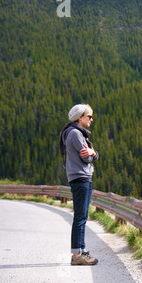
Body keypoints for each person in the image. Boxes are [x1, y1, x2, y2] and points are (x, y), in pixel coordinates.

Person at [60, 104, 99, 265]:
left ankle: (80, 250)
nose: (91, 119)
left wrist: (93, 152)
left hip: (79, 178)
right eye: (89, 116)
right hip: (81, 178)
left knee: (81, 216)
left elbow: (91, 155)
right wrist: (93, 153)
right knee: (80, 217)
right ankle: (77, 255)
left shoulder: (73, 132)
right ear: (80, 117)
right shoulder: (76, 133)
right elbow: (87, 158)